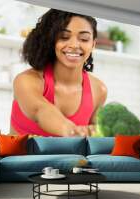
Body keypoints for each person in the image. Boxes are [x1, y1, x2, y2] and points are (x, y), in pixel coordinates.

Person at [10, 9, 107, 137]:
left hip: (73, 158)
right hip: (20, 156)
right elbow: (41, 110)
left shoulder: (99, 90)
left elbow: (96, 138)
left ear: (93, 44)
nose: (74, 45)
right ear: (52, 41)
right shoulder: (26, 80)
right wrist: (72, 131)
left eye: (84, 39)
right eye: (64, 37)